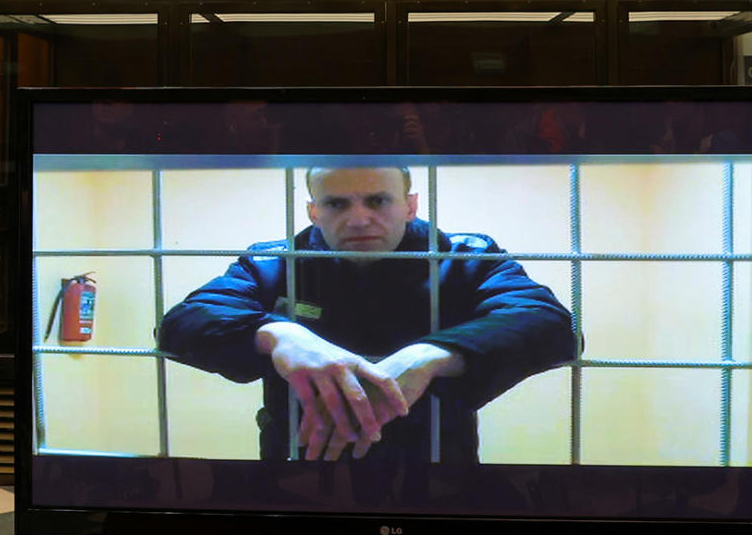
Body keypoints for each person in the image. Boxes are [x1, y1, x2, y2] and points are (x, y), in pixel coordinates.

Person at [157, 166, 575, 463]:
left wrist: (430, 355)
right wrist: (279, 335)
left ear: (410, 205)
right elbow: (181, 323)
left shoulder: (466, 256)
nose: (358, 219)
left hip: (438, 474)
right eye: (337, 204)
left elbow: (551, 325)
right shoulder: (273, 261)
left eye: (378, 200)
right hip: (297, 471)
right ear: (313, 212)